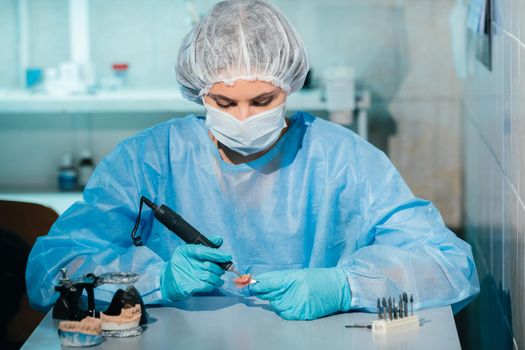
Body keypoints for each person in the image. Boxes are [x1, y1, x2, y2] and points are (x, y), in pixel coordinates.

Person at [26, 0, 479, 320]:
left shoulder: (342, 160)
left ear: (290, 85)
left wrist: (347, 286)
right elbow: (52, 268)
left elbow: (449, 265)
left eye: (263, 99)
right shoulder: (148, 159)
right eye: (224, 103)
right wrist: (157, 280)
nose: (244, 118)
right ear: (198, 92)